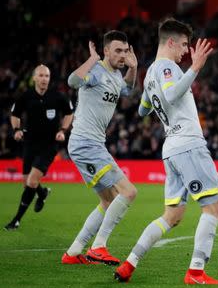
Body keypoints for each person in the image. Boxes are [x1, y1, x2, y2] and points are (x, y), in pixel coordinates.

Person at [114, 18, 218, 285]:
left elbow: (142, 110)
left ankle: (129, 264)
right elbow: (173, 95)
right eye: (184, 45)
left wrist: (154, 101)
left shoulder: (150, 72)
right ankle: (196, 272)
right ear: (171, 42)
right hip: (188, 144)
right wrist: (195, 68)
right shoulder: (167, 67)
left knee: (172, 216)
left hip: (171, 149)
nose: (186, 51)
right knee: (213, 209)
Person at [61, 30, 138, 265]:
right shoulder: (95, 72)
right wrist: (92, 59)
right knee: (128, 192)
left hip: (91, 144)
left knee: (108, 200)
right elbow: (72, 82)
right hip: (86, 143)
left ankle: (73, 252)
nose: (122, 55)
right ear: (106, 51)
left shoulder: (116, 75)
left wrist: (133, 69)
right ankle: (99, 247)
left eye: (125, 51)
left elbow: (127, 90)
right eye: (118, 50)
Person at [4, 65, 74, 231]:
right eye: (41, 75)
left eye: (47, 76)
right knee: (27, 184)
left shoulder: (57, 96)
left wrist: (63, 130)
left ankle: (16, 220)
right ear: (34, 78)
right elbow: (15, 114)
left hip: (49, 144)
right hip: (30, 143)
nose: (44, 79)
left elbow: (69, 112)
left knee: (32, 181)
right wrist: (16, 130)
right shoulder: (26, 96)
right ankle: (42, 193)